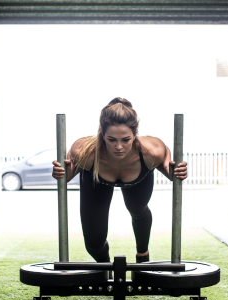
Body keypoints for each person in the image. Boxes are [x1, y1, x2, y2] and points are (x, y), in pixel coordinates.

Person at [52, 97, 188, 264]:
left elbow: (169, 167)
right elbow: (68, 174)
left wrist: (175, 171)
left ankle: (142, 253)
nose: (118, 147)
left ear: (134, 134)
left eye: (125, 140)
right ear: (102, 133)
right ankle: (105, 265)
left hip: (138, 178)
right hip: (96, 179)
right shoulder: (84, 152)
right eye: (111, 140)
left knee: (137, 208)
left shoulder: (151, 152)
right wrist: (61, 173)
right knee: (93, 243)